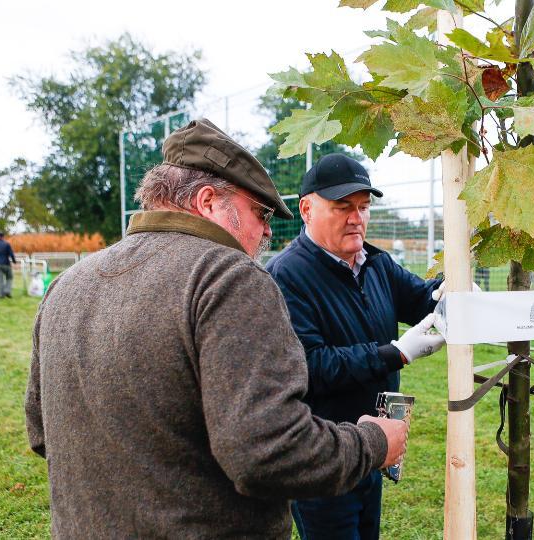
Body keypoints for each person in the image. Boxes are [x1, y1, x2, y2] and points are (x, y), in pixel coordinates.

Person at [24, 119, 409, 539]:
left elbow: (43, 434)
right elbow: (271, 453)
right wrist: (373, 441)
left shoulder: (68, 284)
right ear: (209, 201)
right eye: (259, 213)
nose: (266, 230)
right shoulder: (228, 277)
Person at [265, 153, 445, 540]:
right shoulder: (285, 277)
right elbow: (309, 365)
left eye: (363, 207)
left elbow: (421, 300)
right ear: (307, 209)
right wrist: (395, 353)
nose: (356, 218)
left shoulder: (375, 264)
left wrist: (449, 293)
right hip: (322, 456)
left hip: (375, 445)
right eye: (342, 207)